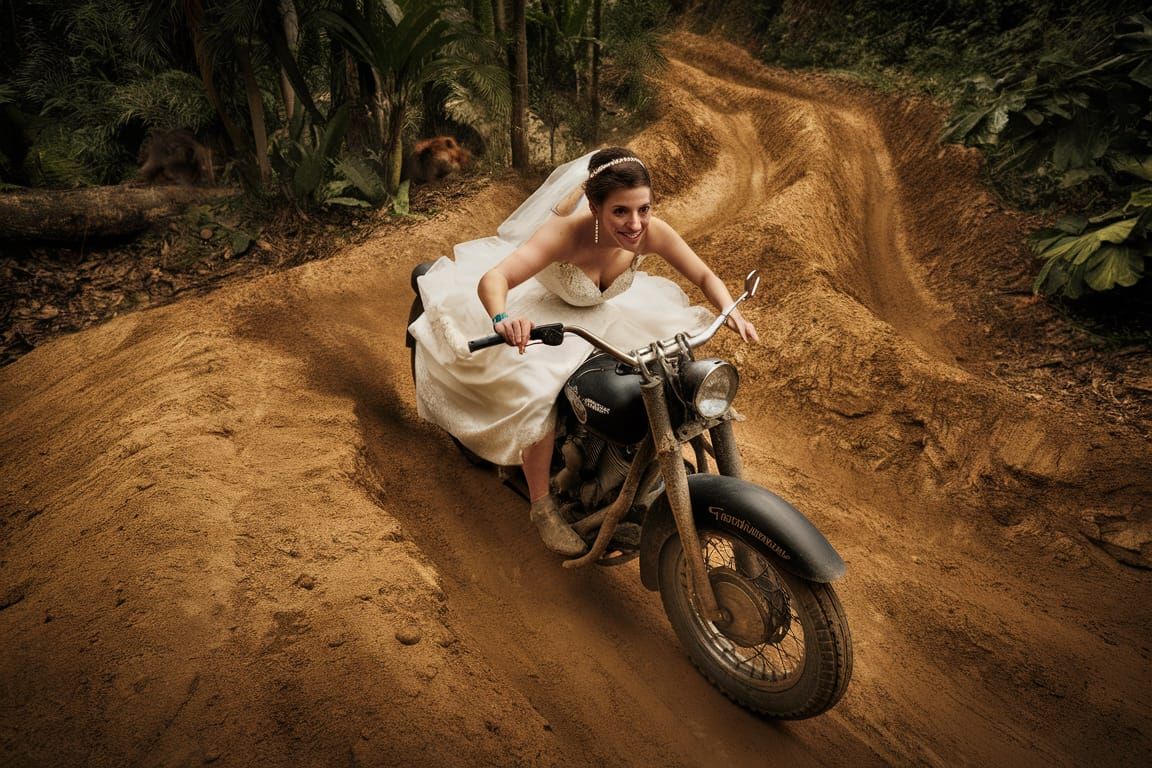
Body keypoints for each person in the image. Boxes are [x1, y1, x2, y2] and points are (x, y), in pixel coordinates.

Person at [408, 147, 759, 556]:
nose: (635, 223)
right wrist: (503, 317)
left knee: (670, 370)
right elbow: (496, 277)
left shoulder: (650, 231)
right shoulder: (565, 233)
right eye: (621, 212)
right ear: (594, 207)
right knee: (538, 393)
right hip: (548, 316)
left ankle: (634, 462)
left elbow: (701, 273)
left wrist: (728, 308)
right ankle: (542, 506)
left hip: (610, 314)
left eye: (643, 209)